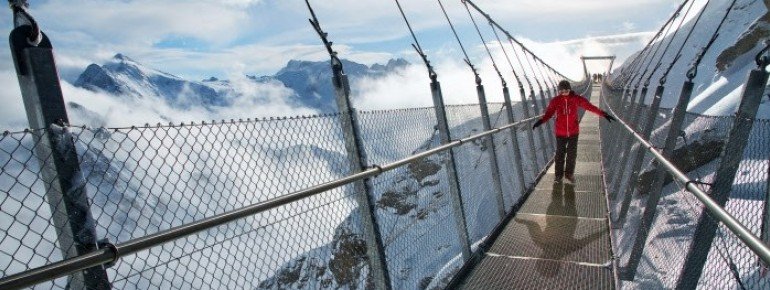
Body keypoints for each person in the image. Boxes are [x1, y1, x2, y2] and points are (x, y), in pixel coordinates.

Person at [532, 80, 615, 184]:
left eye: (566, 90)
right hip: (560, 133)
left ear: (570, 90)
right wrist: (540, 121)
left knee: (572, 154)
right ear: (559, 91)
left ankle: (569, 174)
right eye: (562, 91)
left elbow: (589, 107)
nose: (564, 93)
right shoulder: (555, 101)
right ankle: (558, 176)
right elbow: (549, 113)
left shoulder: (576, 99)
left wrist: (603, 114)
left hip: (573, 132)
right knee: (559, 154)